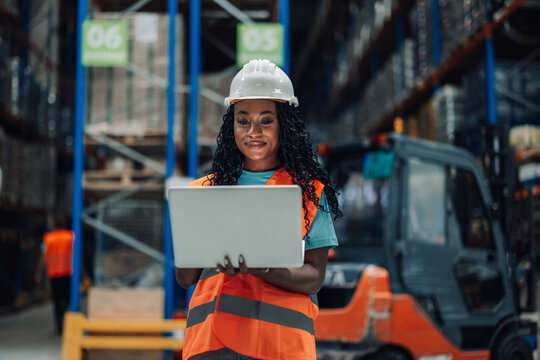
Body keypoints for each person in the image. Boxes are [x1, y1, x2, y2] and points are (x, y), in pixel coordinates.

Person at [175, 59, 342, 360]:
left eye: (266, 120)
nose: (253, 131)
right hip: (211, 346)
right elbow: (185, 277)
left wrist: (260, 267)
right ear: (232, 125)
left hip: (279, 346)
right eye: (243, 120)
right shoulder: (203, 191)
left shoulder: (311, 194)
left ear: (284, 125)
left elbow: (314, 277)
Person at [35, 227, 74, 335]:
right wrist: (83, 272)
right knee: (66, 299)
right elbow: (77, 254)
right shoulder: (70, 236)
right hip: (67, 273)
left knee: (57, 301)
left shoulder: (48, 238)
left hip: (54, 274)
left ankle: (59, 326)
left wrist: (38, 273)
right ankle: (65, 321)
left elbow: (44, 256)